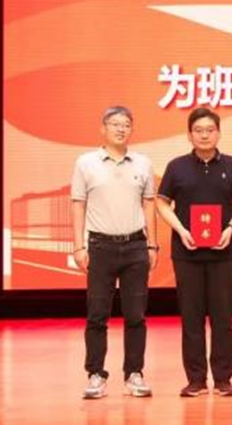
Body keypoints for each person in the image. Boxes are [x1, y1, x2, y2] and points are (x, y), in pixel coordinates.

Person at [157, 108, 232, 397]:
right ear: (189, 135)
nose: (204, 135)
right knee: (191, 316)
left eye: (210, 129)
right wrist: (181, 229)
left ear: (218, 133)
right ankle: (196, 379)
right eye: (198, 130)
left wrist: (231, 228)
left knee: (223, 316)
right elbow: (162, 203)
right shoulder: (177, 167)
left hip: (223, 253)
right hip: (187, 252)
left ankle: (223, 378)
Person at [71, 105, 158, 399]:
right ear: (103, 128)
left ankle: (134, 374)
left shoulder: (143, 163)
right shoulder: (86, 163)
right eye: (115, 123)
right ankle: (95, 374)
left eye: (126, 124)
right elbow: (78, 205)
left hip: (135, 246)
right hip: (100, 247)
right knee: (97, 314)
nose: (121, 129)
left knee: (136, 315)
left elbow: (149, 205)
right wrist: (79, 246)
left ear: (132, 129)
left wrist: (152, 244)